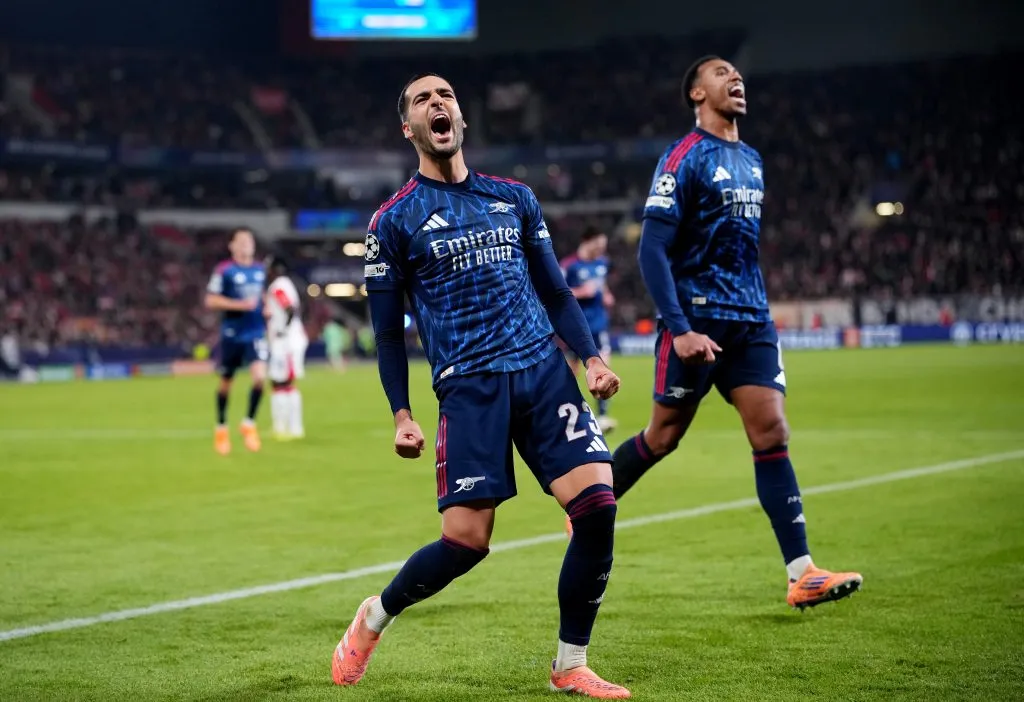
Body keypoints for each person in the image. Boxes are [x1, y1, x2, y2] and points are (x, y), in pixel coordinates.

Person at [334, 73, 630, 699]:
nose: (437, 104)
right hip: (469, 387)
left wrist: (591, 359)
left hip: (544, 374)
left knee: (598, 507)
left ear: (461, 118)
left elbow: (555, 290)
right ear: (408, 128)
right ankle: (374, 618)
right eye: (422, 100)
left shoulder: (514, 198)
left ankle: (569, 664)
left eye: (445, 96)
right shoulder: (392, 221)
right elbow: (388, 334)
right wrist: (401, 414)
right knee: (467, 542)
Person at [608, 56, 863, 610]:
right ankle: (589, 502)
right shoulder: (682, 158)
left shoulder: (752, 159)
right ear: (697, 93)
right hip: (696, 321)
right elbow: (651, 248)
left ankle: (802, 573)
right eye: (721, 73)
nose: (735, 78)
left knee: (771, 430)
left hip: (751, 320)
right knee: (663, 436)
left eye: (737, 73)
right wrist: (678, 329)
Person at [205, 228, 267, 455]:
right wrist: (240, 305)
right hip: (232, 333)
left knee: (260, 378)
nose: (245, 245)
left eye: (248, 241)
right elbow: (211, 300)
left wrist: (267, 307)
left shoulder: (261, 270)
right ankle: (221, 427)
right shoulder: (225, 270)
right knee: (226, 384)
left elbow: (264, 297)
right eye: (240, 242)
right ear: (232, 246)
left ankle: (248, 424)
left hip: (256, 333)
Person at [561, 225, 617, 432]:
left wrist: (607, 294)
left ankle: (602, 416)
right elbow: (557, 292)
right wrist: (581, 292)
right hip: (575, 326)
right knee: (571, 372)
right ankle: (570, 414)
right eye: (599, 244)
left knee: (604, 366)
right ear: (587, 241)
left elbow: (601, 284)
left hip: (599, 324)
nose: (601, 249)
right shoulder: (569, 265)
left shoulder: (603, 263)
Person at [264, 255, 307, 440]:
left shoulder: (278, 286)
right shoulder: (286, 283)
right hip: (289, 339)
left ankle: (290, 428)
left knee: (284, 383)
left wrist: (282, 331)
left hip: (286, 342)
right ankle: (283, 427)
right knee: (280, 383)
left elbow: (289, 309)